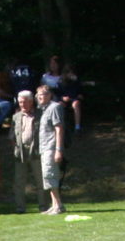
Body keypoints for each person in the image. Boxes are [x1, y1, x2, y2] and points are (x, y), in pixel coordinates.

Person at [35, 83, 67, 215]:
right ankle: (54, 205)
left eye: (42, 95)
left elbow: (59, 129)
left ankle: (58, 205)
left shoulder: (55, 107)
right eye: (38, 95)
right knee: (47, 177)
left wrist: (58, 149)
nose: (39, 97)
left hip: (51, 147)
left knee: (51, 175)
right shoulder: (43, 109)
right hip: (44, 148)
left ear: (49, 95)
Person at [9, 89, 40, 214]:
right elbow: (12, 135)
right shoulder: (16, 116)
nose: (22, 104)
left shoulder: (39, 115)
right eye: (20, 102)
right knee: (19, 181)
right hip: (20, 152)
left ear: (31, 102)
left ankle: (43, 206)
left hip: (36, 151)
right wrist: (15, 149)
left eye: (25, 102)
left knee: (40, 180)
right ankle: (20, 207)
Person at [45, 55, 83, 131]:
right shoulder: (61, 81)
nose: (70, 74)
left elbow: (79, 90)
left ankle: (77, 127)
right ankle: (61, 125)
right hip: (63, 99)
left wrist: (79, 95)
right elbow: (58, 92)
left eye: (72, 73)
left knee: (76, 104)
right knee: (59, 105)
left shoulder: (76, 81)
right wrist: (62, 98)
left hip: (74, 99)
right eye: (68, 73)